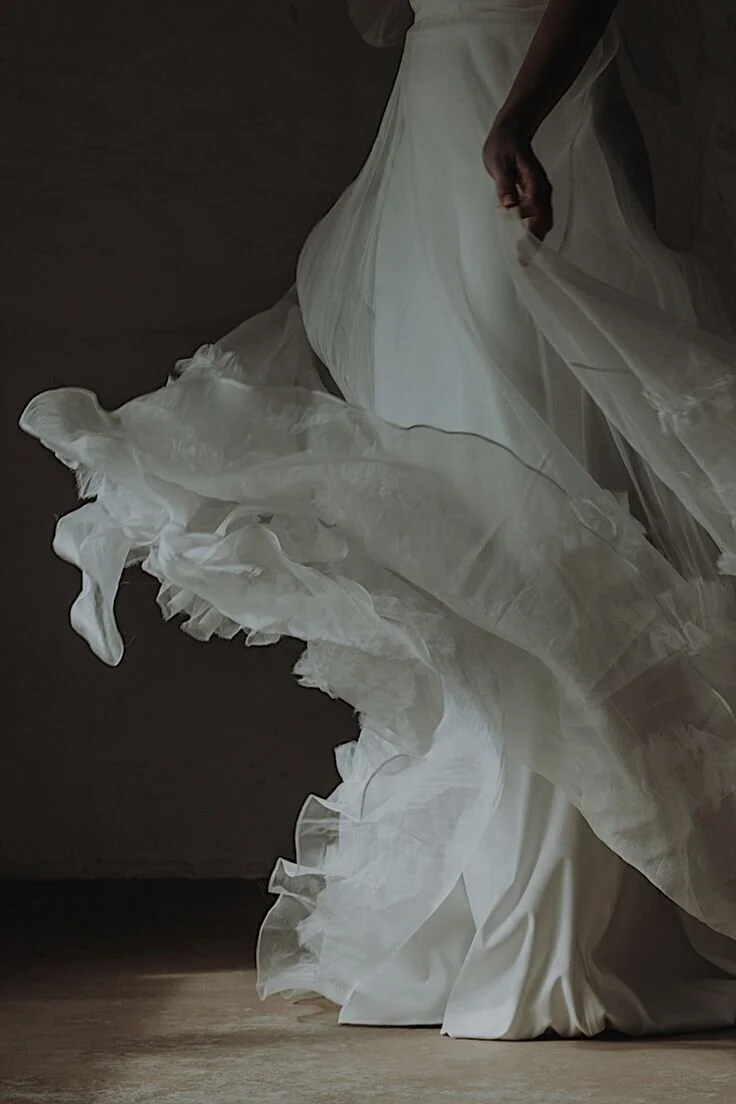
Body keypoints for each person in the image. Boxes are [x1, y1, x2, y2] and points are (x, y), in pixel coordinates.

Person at [19, 0, 736, 1039]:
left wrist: (518, 116)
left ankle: (577, 910)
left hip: (531, 118)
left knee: (541, 476)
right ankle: (480, 902)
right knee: (447, 503)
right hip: (433, 127)